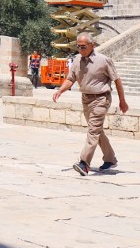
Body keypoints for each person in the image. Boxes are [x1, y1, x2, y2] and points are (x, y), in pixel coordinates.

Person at [52, 33, 129, 176]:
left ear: (92, 46)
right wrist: (60, 90)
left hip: (101, 99)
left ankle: (84, 163)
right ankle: (110, 159)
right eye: (78, 47)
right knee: (97, 130)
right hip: (86, 99)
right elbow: (71, 78)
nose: (80, 50)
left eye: (83, 47)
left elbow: (117, 80)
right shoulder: (77, 60)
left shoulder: (104, 60)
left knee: (93, 131)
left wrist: (122, 100)